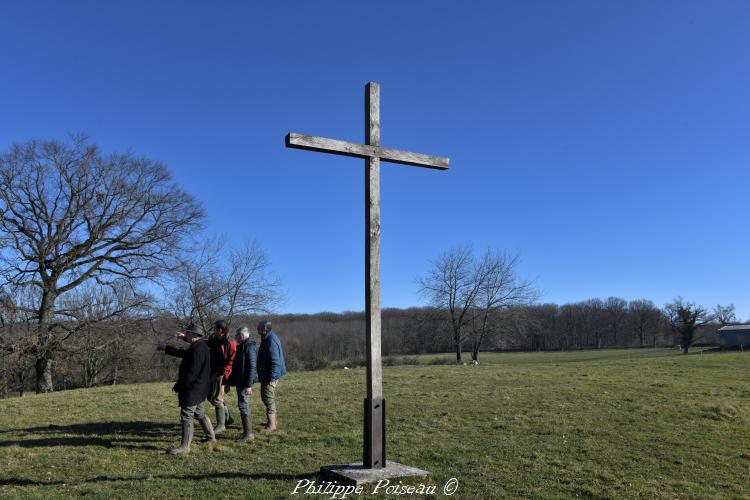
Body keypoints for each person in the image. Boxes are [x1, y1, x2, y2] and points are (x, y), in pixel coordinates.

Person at [156, 323, 215, 455]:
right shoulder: (199, 346)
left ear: (193, 335)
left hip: (193, 388)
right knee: (199, 413)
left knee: (186, 416)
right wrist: (167, 348)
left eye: (187, 333)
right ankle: (211, 437)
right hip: (199, 387)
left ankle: (185, 447)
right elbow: (184, 354)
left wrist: (180, 385)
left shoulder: (198, 349)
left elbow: (191, 373)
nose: (185, 335)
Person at [227, 326, 258, 442]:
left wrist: (249, 385)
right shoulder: (243, 346)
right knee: (242, 405)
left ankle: (248, 434)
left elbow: (252, 367)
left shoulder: (249, 347)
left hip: (245, 382)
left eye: (236, 336)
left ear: (242, 336)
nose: (235, 338)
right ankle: (246, 432)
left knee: (243, 405)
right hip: (241, 381)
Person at [256, 320, 286, 433]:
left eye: (258, 327)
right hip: (267, 374)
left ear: (264, 329)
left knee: (268, 398)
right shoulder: (267, 338)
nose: (257, 328)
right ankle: (273, 421)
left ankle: (271, 425)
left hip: (270, 376)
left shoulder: (270, 340)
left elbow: (275, 361)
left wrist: (272, 377)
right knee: (266, 397)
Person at [207, 319, 237, 434]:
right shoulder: (215, 340)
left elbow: (232, 359)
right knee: (210, 396)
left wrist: (223, 373)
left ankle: (221, 425)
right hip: (213, 372)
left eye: (215, 328)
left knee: (217, 398)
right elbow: (205, 342)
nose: (213, 330)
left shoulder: (230, 342)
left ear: (221, 330)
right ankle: (228, 418)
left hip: (222, 374)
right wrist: (186, 337)